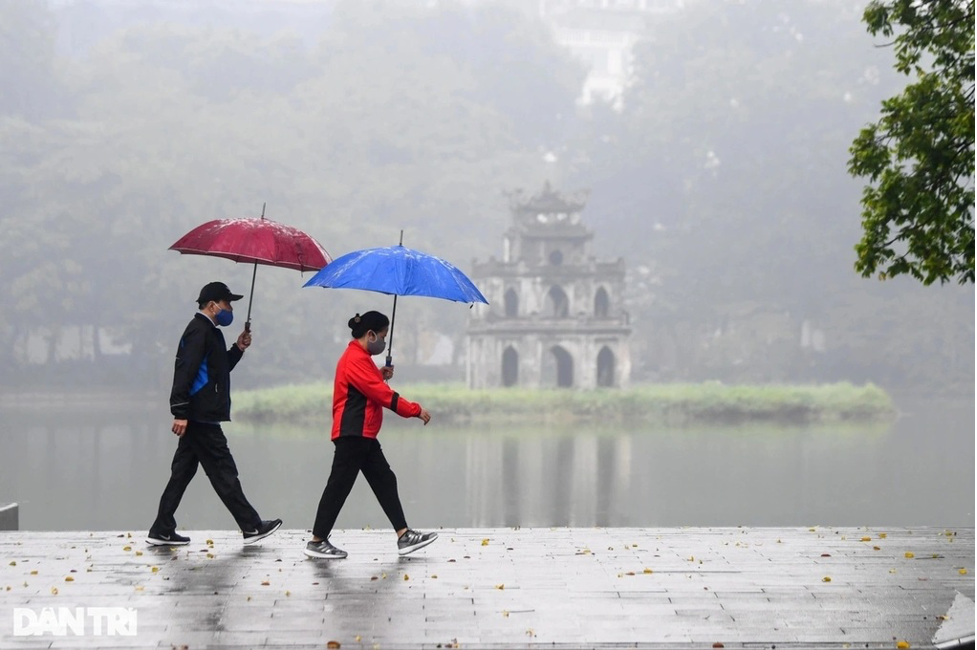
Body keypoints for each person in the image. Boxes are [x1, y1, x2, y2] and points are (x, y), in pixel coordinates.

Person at [147, 281, 282, 546]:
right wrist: (180, 411)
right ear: (212, 305)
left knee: (182, 473)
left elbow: (218, 371)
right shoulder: (199, 331)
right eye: (227, 303)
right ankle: (252, 526)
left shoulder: (211, 332)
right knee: (223, 471)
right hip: (200, 417)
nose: (230, 309)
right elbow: (184, 371)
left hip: (201, 414)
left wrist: (238, 349)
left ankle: (161, 528)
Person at [304, 311, 437, 559]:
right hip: (353, 432)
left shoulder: (361, 358)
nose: (384, 342)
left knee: (385, 480)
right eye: (383, 336)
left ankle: (404, 535)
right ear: (371, 334)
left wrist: (379, 374)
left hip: (362, 434)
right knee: (339, 486)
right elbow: (380, 394)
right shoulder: (354, 358)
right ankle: (317, 540)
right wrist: (415, 410)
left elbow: (368, 385)